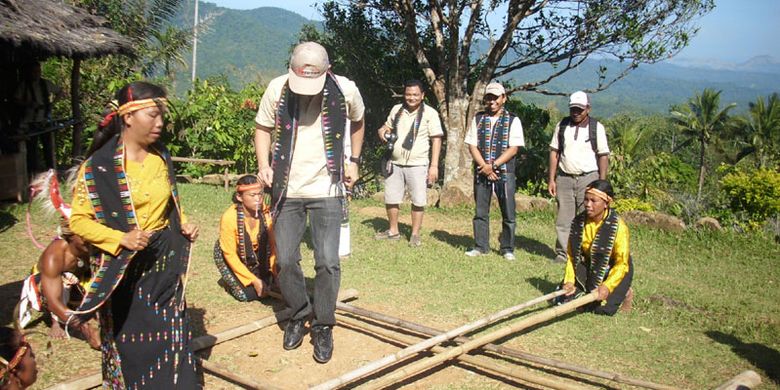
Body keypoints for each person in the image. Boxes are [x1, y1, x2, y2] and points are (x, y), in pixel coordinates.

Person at [69, 81, 200, 388]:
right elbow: (79, 220)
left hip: (163, 262)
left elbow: (170, 205)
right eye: (153, 115)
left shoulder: (161, 157)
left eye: (162, 116)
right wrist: (120, 239)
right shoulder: (98, 169)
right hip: (125, 269)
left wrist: (185, 224)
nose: (161, 123)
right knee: (133, 338)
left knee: (171, 331)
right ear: (127, 117)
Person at [254, 41, 364, 364]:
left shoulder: (346, 91)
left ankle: (323, 324)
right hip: (287, 188)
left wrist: (354, 160)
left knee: (327, 260)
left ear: (327, 72)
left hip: (327, 188)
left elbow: (358, 121)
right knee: (286, 259)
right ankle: (298, 313)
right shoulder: (277, 89)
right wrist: (264, 164)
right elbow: (261, 128)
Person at [374, 79, 444, 247]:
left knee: (418, 200)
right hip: (395, 162)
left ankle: (415, 234)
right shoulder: (397, 110)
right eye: (408, 94)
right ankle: (393, 231)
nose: (411, 98)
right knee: (391, 197)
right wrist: (383, 133)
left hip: (418, 163)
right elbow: (385, 127)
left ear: (422, 95)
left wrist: (434, 166)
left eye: (415, 95)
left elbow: (436, 139)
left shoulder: (430, 113)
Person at [464, 82, 524, 261]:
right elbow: (472, 145)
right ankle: (481, 246)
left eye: (495, 97)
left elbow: (513, 149)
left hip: (505, 173)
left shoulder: (513, 120)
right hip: (482, 172)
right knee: (481, 211)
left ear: (503, 98)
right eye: (489, 97)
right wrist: (485, 166)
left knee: (508, 212)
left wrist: (493, 165)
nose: (491, 101)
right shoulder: (478, 119)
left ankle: (507, 248)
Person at [548, 91, 610, 264]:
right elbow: (554, 152)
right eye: (573, 109)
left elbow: (603, 155)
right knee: (564, 217)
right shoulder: (562, 126)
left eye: (580, 110)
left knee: (588, 216)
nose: (576, 113)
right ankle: (563, 253)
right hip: (565, 177)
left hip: (588, 178)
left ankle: (585, 253)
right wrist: (552, 179)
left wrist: (601, 184)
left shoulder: (596, 128)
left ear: (588, 109)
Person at [18, 222, 100, 349]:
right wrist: (86, 330)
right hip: (48, 285)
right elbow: (53, 301)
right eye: (85, 236)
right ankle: (55, 321)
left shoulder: (92, 245)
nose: (91, 240)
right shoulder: (54, 256)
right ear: (70, 236)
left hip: (78, 280)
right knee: (61, 284)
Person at [557, 180, 634, 316]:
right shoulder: (579, 222)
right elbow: (571, 255)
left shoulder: (619, 228)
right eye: (586, 200)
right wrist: (569, 280)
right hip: (590, 265)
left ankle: (626, 292)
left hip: (614, 269)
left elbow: (621, 264)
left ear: (606, 203)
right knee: (563, 297)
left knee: (601, 309)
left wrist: (607, 286)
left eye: (594, 201)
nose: (588, 204)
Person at [214, 174, 277, 302]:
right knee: (248, 295)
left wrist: (275, 272)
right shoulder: (229, 217)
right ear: (239, 197)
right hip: (232, 255)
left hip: (256, 254)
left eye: (260, 194)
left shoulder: (265, 212)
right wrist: (253, 280)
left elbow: (272, 245)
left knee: (272, 285)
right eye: (252, 195)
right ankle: (230, 280)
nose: (258, 199)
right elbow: (230, 254)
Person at [13, 62, 60, 172]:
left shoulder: (45, 84)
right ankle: (32, 173)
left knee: (48, 149)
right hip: (30, 122)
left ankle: (51, 172)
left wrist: (52, 104)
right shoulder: (24, 85)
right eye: (34, 71)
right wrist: (28, 103)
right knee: (32, 150)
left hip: (44, 120)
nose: (37, 74)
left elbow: (60, 92)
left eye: (38, 71)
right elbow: (15, 99)